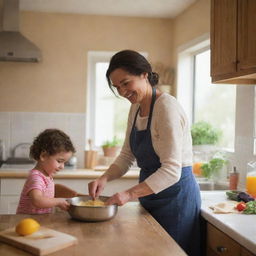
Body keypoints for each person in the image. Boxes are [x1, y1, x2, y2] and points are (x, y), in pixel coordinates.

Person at [88, 50, 201, 256]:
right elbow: (126, 155)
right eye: (117, 87)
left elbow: (171, 170)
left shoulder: (167, 107)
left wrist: (129, 194)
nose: (122, 91)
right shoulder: (136, 108)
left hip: (176, 199)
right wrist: (104, 178)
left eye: (126, 83)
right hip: (151, 196)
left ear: (144, 74)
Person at [16, 128, 78, 214]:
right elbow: (37, 201)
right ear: (43, 156)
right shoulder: (36, 177)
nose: (62, 166)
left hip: (40, 221)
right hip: (28, 222)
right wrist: (58, 201)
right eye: (59, 161)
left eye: (65, 162)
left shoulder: (47, 176)